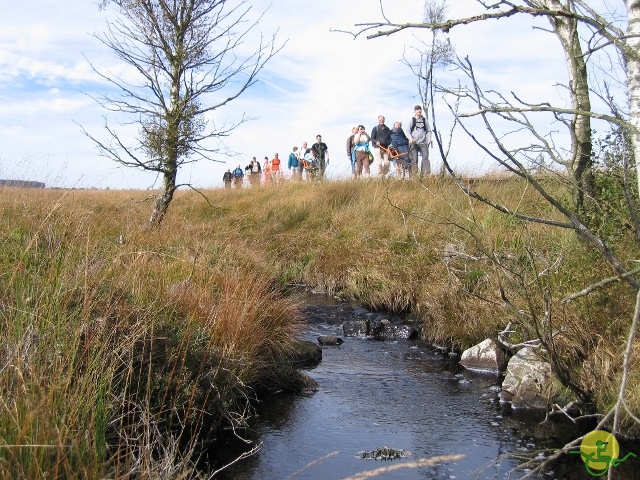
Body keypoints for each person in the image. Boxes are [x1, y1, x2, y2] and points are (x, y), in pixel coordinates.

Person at [407, 105, 433, 176]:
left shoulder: (424, 120)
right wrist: (410, 138)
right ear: (415, 111)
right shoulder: (412, 120)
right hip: (414, 143)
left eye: (420, 109)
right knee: (414, 159)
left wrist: (429, 138)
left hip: (423, 142)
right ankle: (414, 176)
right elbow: (408, 131)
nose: (419, 110)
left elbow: (428, 131)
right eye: (417, 109)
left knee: (425, 157)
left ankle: (425, 175)